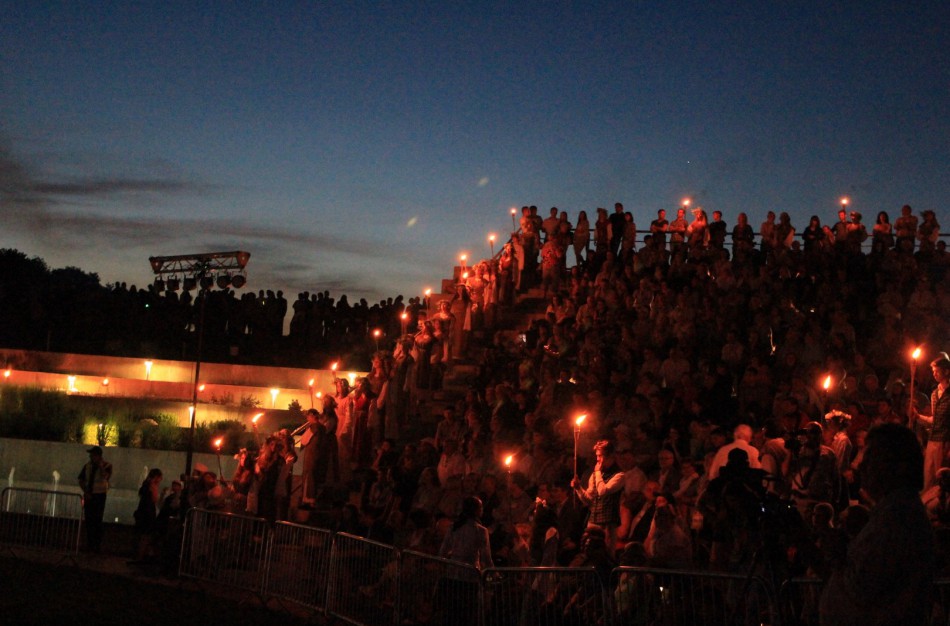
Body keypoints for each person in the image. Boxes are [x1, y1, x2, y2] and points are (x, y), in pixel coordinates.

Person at [819, 424, 935, 625]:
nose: (862, 465)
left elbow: (863, 588)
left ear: (895, 464)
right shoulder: (891, 511)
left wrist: (839, 555)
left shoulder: (898, 517)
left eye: (870, 456)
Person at [572, 439, 625, 554]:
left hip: (608, 524)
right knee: (589, 552)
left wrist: (597, 473)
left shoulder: (619, 475)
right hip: (593, 521)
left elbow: (602, 491)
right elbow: (588, 500)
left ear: (610, 456)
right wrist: (578, 488)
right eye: (597, 455)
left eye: (600, 456)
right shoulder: (595, 475)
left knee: (605, 553)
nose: (597, 459)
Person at [912, 351, 950, 490]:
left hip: (945, 440)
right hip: (932, 439)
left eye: (937, 371)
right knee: (928, 475)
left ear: (946, 371)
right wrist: (918, 417)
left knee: (940, 476)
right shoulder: (934, 394)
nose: (934, 374)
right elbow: (934, 419)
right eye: (933, 371)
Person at [78, 445, 112, 553]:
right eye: (91, 455)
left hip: (99, 495)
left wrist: (101, 466)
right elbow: (81, 479)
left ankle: (96, 545)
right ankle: (90, 543)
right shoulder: (87, 466)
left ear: (98, 456)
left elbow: (105, 476)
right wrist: (86, 491)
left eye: (93, 455)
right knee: (89, 520)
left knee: (97, 520)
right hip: (89, 495)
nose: (90, 456)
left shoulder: (107, 465)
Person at [132, 467, 162, 563]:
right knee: (147, 535)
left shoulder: (145, 484)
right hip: (148, 512)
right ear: (157, 477)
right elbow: (154, 499)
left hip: (142, 510)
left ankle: (141, 555)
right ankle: (142, 556)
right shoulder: (152, 485)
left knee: (142, 535)